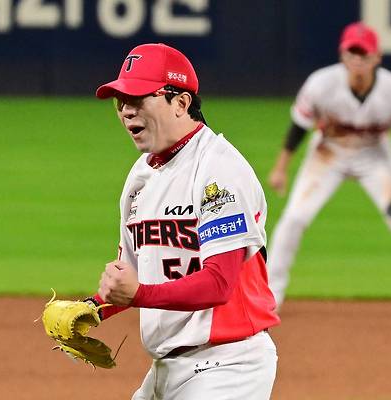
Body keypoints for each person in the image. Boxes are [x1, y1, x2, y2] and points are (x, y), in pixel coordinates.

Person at [86, 43, 281, 399]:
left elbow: (219, 283)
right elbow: (131, 277)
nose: (127, 111)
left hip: (228, 366)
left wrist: (139, 294)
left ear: (181, 102)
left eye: (139, 99)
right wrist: (91, 310)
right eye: (120, 102)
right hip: (166, 369)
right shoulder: (140, 176)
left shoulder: (218, 170)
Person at [266, 22, 391, 319]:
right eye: (352, 53)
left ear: (377, 58)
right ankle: (271, 294)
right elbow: (300, 127)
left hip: (375, 154)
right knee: (295, 217)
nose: (358, 60)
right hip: (328, 152)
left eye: (364, 54)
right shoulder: (320, 84)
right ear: (342, 55)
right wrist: (281, 167)